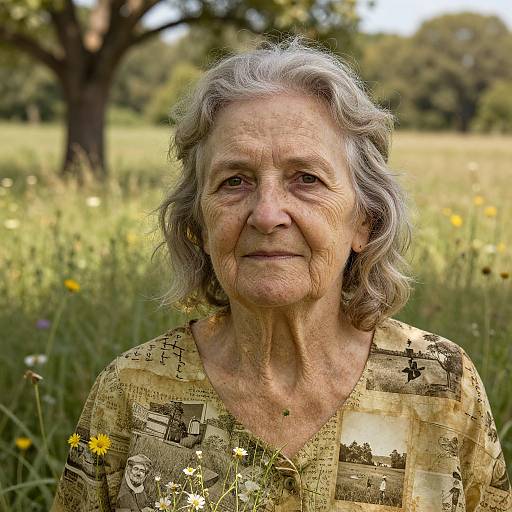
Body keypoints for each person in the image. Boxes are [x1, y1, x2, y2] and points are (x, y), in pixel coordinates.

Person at [51, 36, 511, 511]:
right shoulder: (132, 390)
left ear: (364, 220)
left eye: (306, 179)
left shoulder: (440, 384)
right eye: (235, 181)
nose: (267, 214)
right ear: (199, 226)